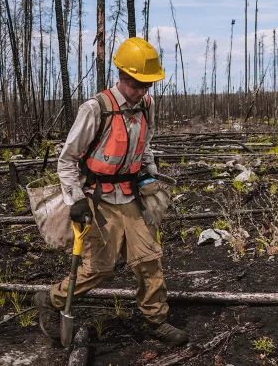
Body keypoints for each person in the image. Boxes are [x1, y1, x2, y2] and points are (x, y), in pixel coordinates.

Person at [34, 37, 188, 346]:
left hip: (131, 195)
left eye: (148, 84)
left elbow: (144, 145)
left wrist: (150, 173)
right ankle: (50, 299)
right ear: (122, 76)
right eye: (138, 84)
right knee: (98, 268)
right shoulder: (95, 108)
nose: (143, 90)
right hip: (97, 198)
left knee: (149, 259)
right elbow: (67, 160)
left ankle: (155, 319)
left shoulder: (147, 105)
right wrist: (76, 200)